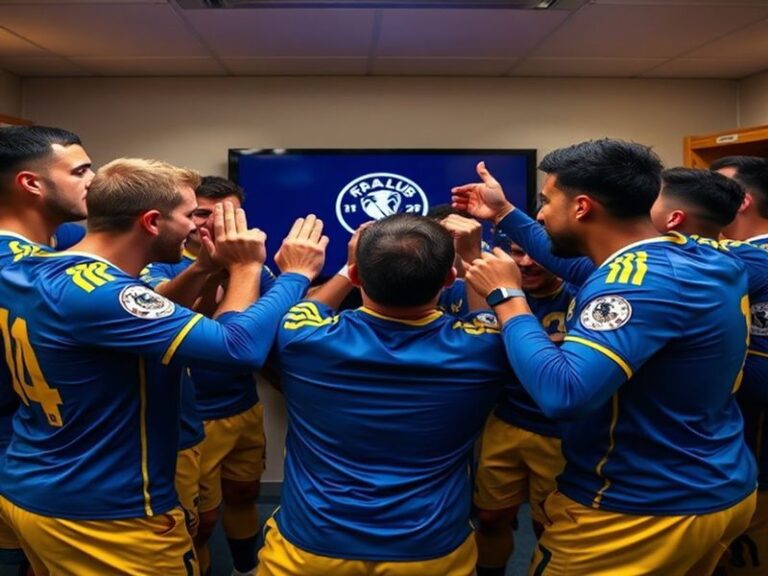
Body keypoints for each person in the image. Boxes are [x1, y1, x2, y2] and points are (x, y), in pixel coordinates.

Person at [0, 157, 327, 576]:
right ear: (152, 222)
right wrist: (288, 274)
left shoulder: (32, 267)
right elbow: (237, 348)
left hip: (33, 485)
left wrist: (207, 266)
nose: (198, 227)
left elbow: (149, 317)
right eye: (191, 215)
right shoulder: (103, 295)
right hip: (106, 513)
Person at [454, 139, 756, 575]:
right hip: (715, 482)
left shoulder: (637, 283)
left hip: (641, 507)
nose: (539, 213)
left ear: (581, 207)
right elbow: (586, 268)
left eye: (545, 201)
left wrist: (507, 297)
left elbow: (565, 393)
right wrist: (504, 214)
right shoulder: (693, 257)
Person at [258, 213, 516, 576]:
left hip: (311, 548)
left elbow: (313, 305)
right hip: (428, 552)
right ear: (449, 279)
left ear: (358, 275)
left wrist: (350, 268)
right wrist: (473, 256)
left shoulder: (301, 336)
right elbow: (485, 318)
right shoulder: (486, 350)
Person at [142, 176, 278, 576]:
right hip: (192, 417)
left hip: (243, 405)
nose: (214, 222)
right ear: (185, 214)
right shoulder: (159, 263)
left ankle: (244, 568)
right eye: (202, 212)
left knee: (244, 493)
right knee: (199, 524)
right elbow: (181, 325)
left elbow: (270, 328)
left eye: (229, 212)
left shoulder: (255, 268)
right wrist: (211, 270)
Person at [0, 125, 94, 573]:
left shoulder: (70, 244)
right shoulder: (15, 267)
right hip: (17, 450)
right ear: (31, 184)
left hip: (56, 453)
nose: (94, 180)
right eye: (80, 171)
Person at [473, 237, 572, 576]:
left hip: (560, 433)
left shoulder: (579, 293)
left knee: (550, 526)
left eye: (536, 255)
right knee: (489, 516)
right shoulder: (496, 290)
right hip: (506, 419)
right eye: (517, 253)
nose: (527, 262)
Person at [709, 156, 768, 576]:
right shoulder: (730, 254)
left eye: (713, 189)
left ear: (741, 201)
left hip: (757, 449)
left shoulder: (749, 261)